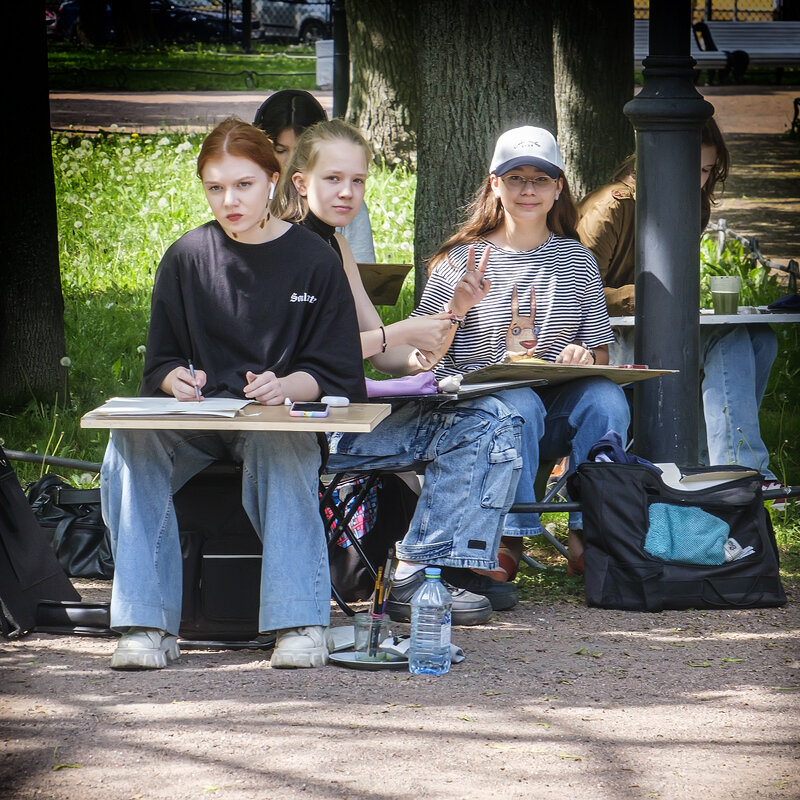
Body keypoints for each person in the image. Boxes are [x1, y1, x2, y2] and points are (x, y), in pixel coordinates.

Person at [100, 117, 367, 671]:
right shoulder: (186, 257)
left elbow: (337, 370)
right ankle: (147, 625)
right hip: (199, 421)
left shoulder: (314, 259)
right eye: (215, 187)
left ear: (274, 179)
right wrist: (178, 380)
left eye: (243, 185)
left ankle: (301, 624)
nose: (229, 200)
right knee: (130, 439)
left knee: (284, 444)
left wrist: (285, 386)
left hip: (275, 420)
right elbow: (162, 363)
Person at [272, 118, 526, 623]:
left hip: (350, 414)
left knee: (491, 420)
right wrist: (401, 332)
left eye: (358, 180)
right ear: (300, 182)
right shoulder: (284, 246)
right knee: (485, 424)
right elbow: (313, 355)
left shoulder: (336, 245)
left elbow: (388, 359)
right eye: (333, 179)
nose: (348, 192)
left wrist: (453, 313)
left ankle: (422, 568)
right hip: (303, 426)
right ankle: (428, 574)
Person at [412, 126, 632, 578]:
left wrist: (584, 358)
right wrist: (458, 306)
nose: (528, 189)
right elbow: (422, 351)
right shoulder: (461, 259)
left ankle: (590, 533)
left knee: (606, 398)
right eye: (515, 178)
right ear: (495, 184)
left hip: (548, 409)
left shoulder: (577, 260)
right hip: (477, 414)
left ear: (558, 188)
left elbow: (601, 356)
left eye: (540, 179)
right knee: (520, 399)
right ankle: (506, 535)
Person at [576, 117, 783, 496]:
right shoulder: (609, 207)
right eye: (690, 168)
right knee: (732, 339)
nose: (698, 179)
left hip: (660, 325)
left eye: (706, 170)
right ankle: (740, 471)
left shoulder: (692, 204)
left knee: (761, 339)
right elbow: (576, 294)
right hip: (606, 337)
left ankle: (711, 464)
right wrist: (649, 298)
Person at [253, 89, 377, 263]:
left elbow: (365, 272)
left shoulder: (342, 216)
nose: (290, 162)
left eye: (301, 152)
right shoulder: (250, 203)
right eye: (280, 150)